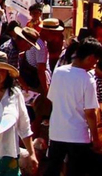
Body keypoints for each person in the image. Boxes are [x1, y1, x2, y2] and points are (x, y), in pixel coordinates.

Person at [44, 37, 102, 176]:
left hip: (57, 132)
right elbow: (90, 113)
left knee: (53, 168)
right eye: (96, 60)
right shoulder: (87, 79)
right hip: (78, 135)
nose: (95, 64)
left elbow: (52, 99)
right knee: (76, 171)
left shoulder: (59, 72)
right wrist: (95, 138)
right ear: (90, 57)